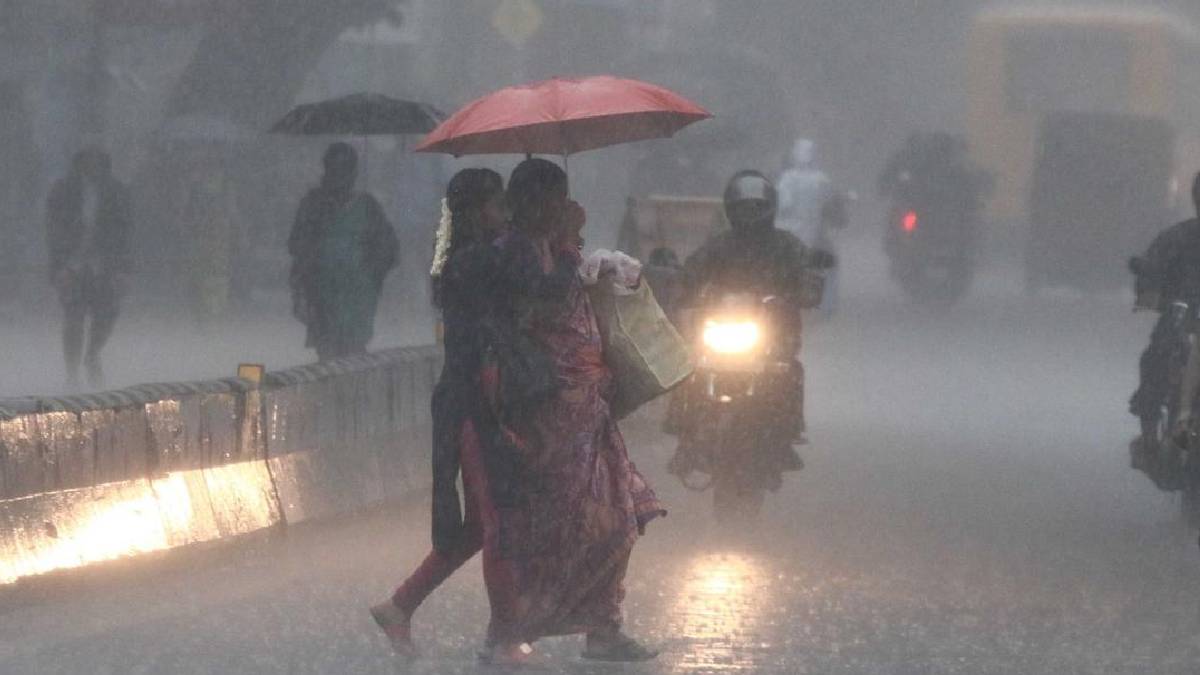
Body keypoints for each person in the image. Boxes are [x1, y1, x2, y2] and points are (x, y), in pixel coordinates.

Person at [492, 158, 664, 663]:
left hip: (591, 408)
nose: (562, 207)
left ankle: (604, 628)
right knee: (561, 524)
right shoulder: (514, 252)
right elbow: (543, 303)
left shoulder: (555, 248)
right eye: (552, 198)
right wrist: (568, 248)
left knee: (619, 517)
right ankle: (514, 628)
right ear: (529, 202)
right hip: (549, 413)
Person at [370, 168, 524, 659]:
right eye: (500, 206)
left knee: (481, 526)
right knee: (496, 523)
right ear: (480, 211)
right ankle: (504, 637)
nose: (505, 215)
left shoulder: (473, 259)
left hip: (478, 401)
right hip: (472, 406)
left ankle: (400, 606)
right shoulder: (472, 262)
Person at [670, 171, 832, 467]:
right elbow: (691, 273)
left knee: (789, 372)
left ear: (769, 207)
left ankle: (787, 435)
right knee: (688, 370)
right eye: (744, 207)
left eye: (756, 207)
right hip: (720, 331)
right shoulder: (719, 246)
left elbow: (807, 275)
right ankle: (684, 435)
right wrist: (679, 285)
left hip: (774, 337)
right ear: (731, 208)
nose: (750, 214)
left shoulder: (786, 246)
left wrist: (807, 288)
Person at [288, 143, 397, 360]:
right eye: (335, 169)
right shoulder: (315, 204)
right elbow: (297, 244)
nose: (339, 175)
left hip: (355, 297)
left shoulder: (366, 206)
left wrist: (369, 272)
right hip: (324, 295)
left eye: (344, 169)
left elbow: (388, 249)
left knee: (348, 352)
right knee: (333, 353)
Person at [45, 148, 133, 389]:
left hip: (106, 264)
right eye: (87, 158)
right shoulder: (63, 191)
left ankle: (92, 353)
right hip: (72, 263)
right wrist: (59, 266)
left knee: (106, 314)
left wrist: (124, 268)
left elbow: (126, 232)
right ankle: (72, 371)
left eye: (96, 159)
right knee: (73, 317)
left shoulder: (117, 192)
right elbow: (53, 231)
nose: (91, 164)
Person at [1129, 172, 1200, 457]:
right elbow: (1151, 271)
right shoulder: (1177, 238)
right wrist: (1150, 291)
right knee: (1157, 357)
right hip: (1182, 321)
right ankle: (1149, 438)